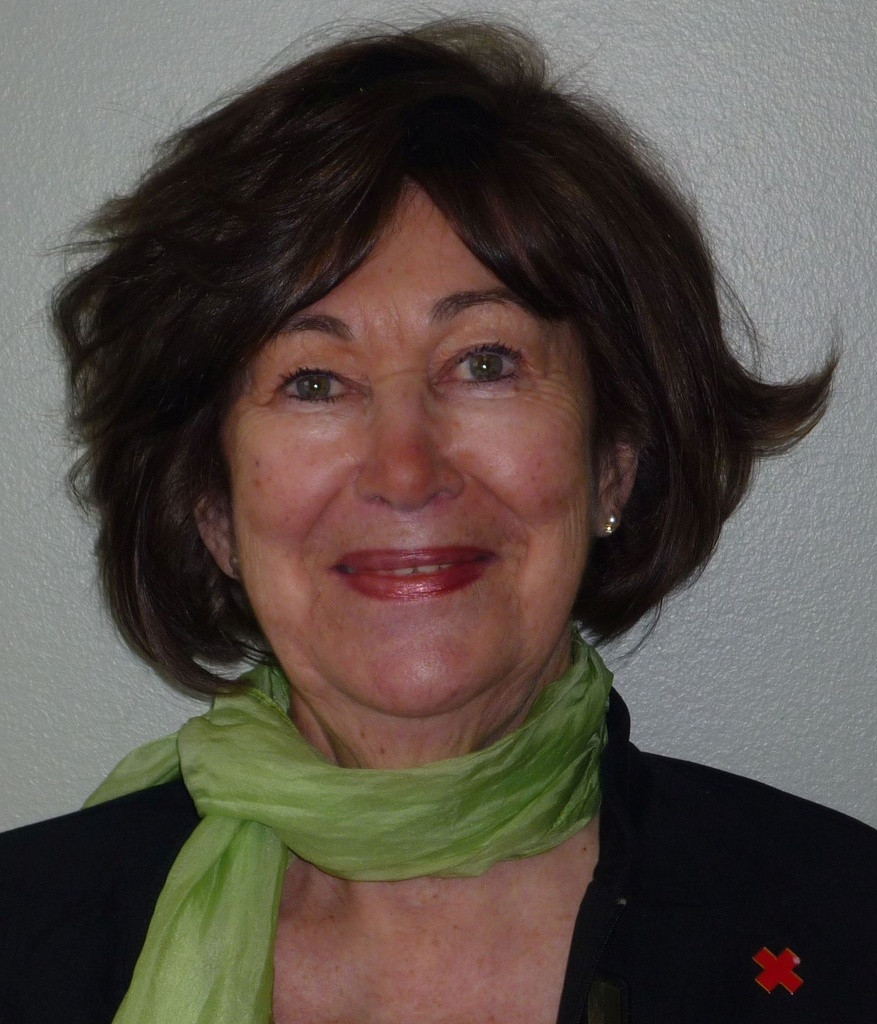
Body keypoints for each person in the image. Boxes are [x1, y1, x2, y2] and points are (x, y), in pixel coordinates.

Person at [1, 17, 874, 1024]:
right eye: (314, 381)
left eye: (484, 363)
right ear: (211, 507)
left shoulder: (841, 931)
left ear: (613, 461)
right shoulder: (27, 940)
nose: (405, 471)